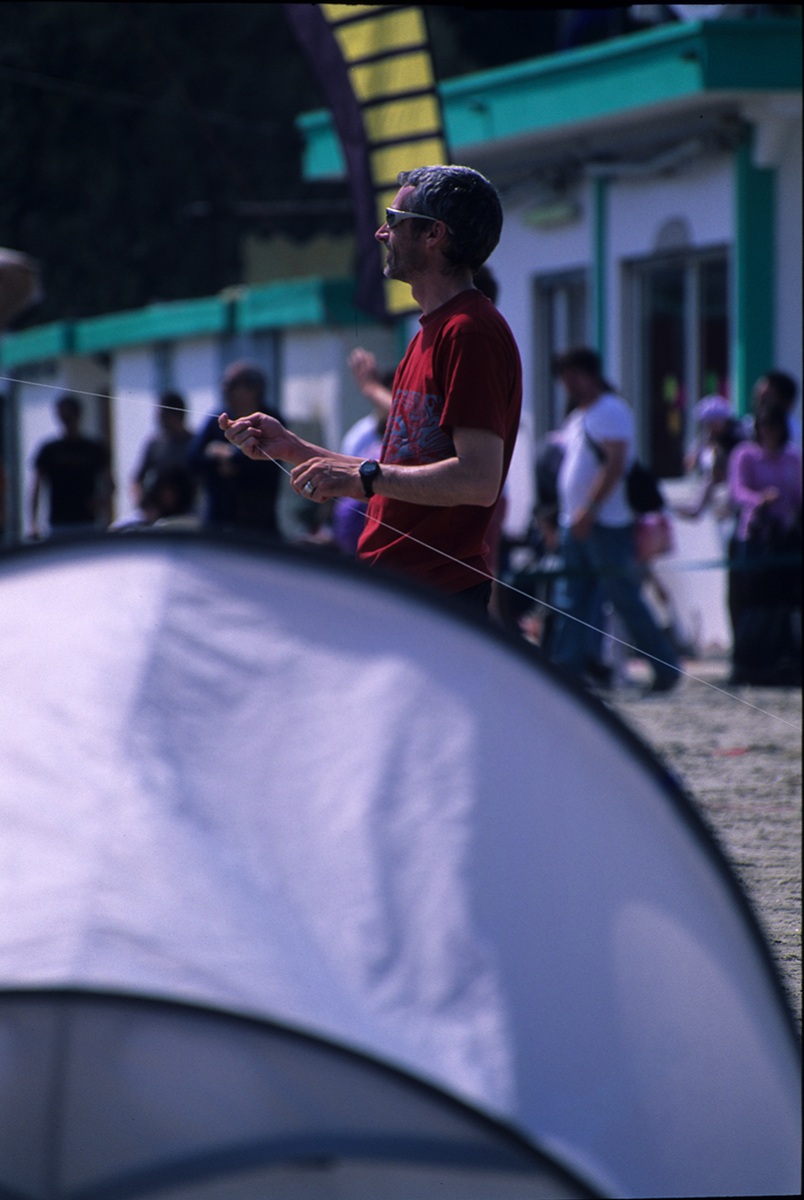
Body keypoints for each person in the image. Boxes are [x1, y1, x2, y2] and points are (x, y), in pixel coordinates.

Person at [219, 165, 522, 618]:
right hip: (400, 591)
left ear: (434, 234)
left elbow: (478, 481)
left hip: (435, 600)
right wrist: (293, 448)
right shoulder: (427, 334)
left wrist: (363, 477)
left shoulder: (468, 331)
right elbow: (397, 478)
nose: (382, 232)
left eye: (394, 219)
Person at [547, 347, 680, 693]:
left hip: (604, 522)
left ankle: (666, 668)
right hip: (573, 521)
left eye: (573, 375)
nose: (568, 384)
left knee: (625, 598)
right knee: (570, 599)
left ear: (590, 374)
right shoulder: (578, 416)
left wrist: (589, 509)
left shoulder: (611, 410)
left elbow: (615, 463)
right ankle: (568, 671)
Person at [727, 394, 801, 685]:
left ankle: (782, 659)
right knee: (752, 602)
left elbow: (798, 495)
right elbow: (737, 491)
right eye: (764, 425)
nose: (768, 431)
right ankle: (748, 661)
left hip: (784, 538)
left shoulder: (792, 457)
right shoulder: (745, 455)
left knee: (782, 602)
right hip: (755, 537)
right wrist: (760, 500)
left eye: (773, 425)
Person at [188, 360, 282, 537]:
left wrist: (231, 457)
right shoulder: (218, 420)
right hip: (218, 522)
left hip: (258, 525)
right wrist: (217, 459)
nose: (226, 392)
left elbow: (269, 462)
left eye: (232, 386)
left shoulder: (271, 421)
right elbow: (193, 459)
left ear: (253, 390)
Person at [29, 393, 114, 539]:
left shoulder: (93, 448)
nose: (67, 421)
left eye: (70, 416)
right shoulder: (50, 450)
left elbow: (110, 483)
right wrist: (33, 523)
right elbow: (36, 487)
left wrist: (100, 503)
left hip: (88, 523)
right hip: (59, 524)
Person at [131, 391, 196, 510]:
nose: (160, 421)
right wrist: (143, 505)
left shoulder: (195, 443)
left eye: (164, 416)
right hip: (159, 512)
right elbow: (137, 479)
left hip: (192, 511)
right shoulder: (155, 445)